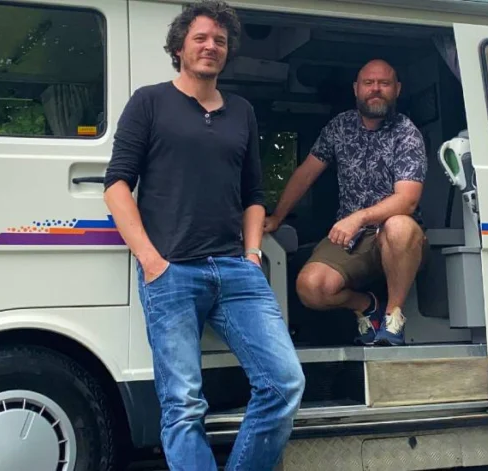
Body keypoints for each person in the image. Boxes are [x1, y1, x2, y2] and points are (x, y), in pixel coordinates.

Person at [103, 2, 305, 470]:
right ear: (179, 47)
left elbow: (254, 195)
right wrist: (151, 261)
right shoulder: (149, 101)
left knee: (284, 384)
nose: (211, 46)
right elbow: (116, 185)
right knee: (183, 405)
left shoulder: (242, 111)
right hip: (171, 272)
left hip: (236, 270)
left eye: (220, 40)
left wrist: (252, 254)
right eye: (200, 37)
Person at [264, 59, 428, 347]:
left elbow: (407, 200)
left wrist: (359, 217)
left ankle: (393, 317)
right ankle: (367, 306)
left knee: (399, 225)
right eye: (368, 83)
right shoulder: (340, 126)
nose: (375, 89)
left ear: (397, 89)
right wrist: (277, 216)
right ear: (356, 89)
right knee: (311, 288)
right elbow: (306, 173)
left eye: (384, 83)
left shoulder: (407, 132)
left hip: (398, 240)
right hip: (353, 238)